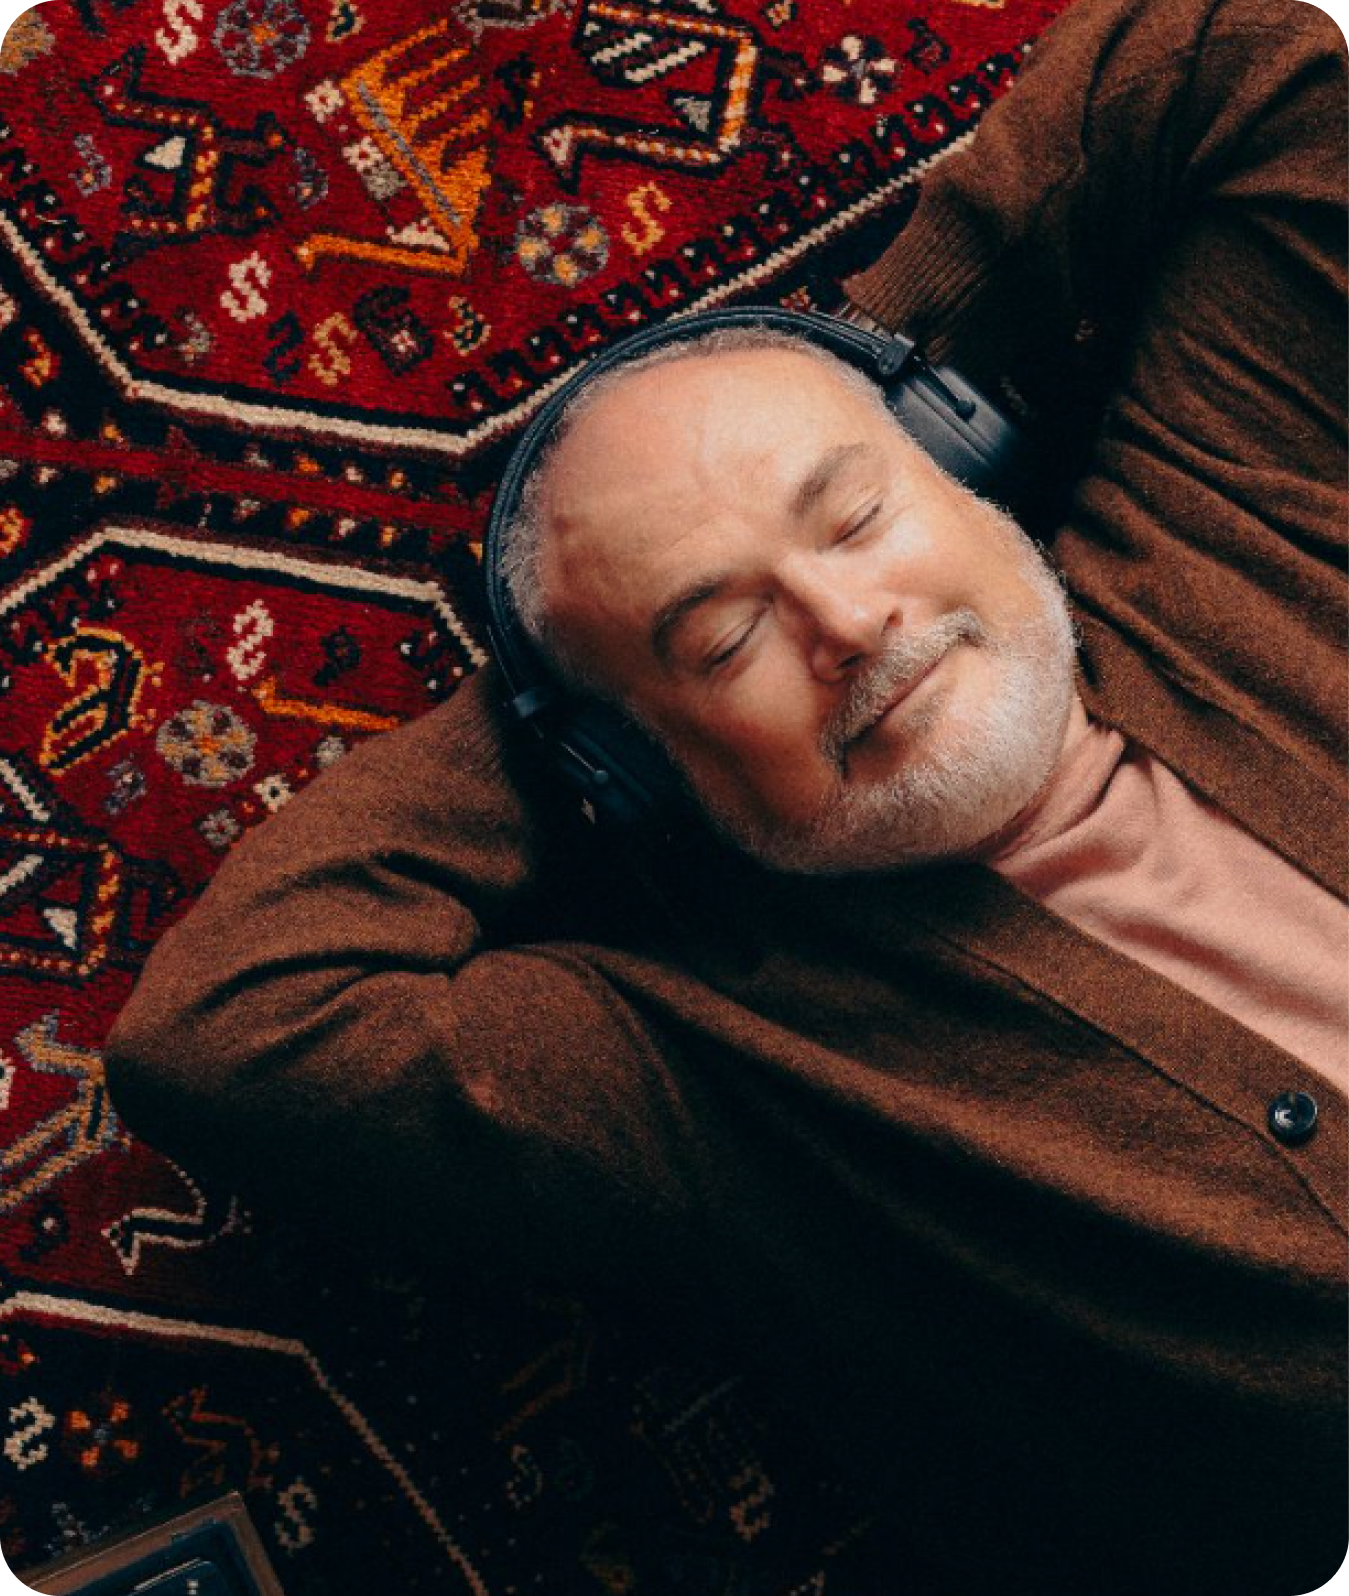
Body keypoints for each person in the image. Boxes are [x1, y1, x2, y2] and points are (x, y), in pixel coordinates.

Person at [104, 0, 1349, 1591]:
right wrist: (569, 715)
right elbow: (224, 1036)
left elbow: (1261, 46)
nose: (847, 627)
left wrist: (874, 372)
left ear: (961, 465)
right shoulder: (715, 1087)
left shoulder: (1235, 507)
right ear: (643, 770)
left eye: (853, 518)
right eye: (727, 634)